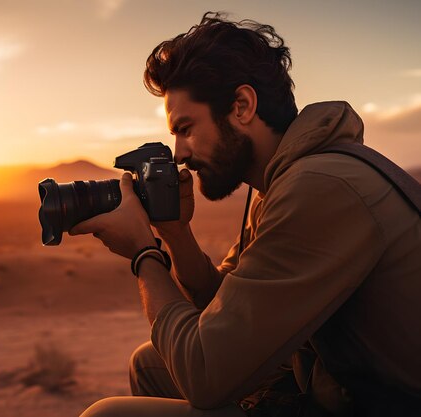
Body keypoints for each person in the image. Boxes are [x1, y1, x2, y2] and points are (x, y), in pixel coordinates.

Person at [69, 12, 421, 417]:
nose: (180, 152)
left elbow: (205, 375)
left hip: (382, 402)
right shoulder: (276, 184)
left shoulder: (320, 187)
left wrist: (143, 255)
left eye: (186, 128)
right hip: (335, 385)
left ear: (242, 106)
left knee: (107, 415)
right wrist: (175, 234)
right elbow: (221, 309)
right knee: (150, 363)